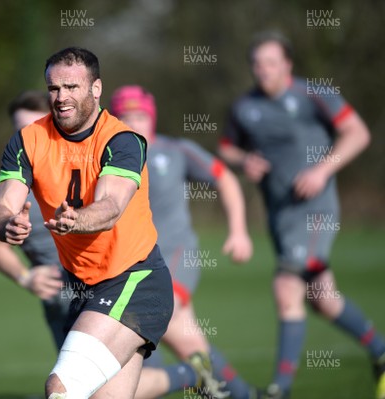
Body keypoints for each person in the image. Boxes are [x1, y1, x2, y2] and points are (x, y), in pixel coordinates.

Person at [0, 47, 174, 399]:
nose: (61, 98)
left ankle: (185, 373)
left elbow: (111, 206)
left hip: (134, 281)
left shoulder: (122, 141)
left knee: (61, 389)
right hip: (82, 287)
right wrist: (7, 224)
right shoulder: (28, 139)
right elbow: (2, 205)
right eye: (54, 89)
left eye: (72, 87)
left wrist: (77, 219)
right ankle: (185, 375)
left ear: (96, 88)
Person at [217, 31, 385, 399]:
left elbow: (358, 133)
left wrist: (323, 170)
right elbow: (226, 148)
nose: (264, 71)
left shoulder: (313, 96)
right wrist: (245, 160)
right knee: (322, 298)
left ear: (287, 64)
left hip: (315, 211)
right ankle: (381, 351)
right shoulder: (245, 107)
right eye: (257, 64)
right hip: (280, 216)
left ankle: (281, 389)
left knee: (286, 287)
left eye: (271, 62)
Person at [110, 85, 257, 399]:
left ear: (152, 118)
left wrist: (239, 230)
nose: (134, 123)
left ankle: (195, 381)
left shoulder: (176, 151)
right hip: (131, 264)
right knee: (190, 344)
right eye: (125, 117)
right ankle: (236, 393)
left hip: (175, 255)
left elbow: (226, 178)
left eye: (140, 116)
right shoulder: (109, 160)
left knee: (153, 317)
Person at [0, 90, 69, 350]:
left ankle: (189, 373)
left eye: (35, 127)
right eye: (19, 130)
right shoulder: (7, 189)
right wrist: (25, 277)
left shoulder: (88, 166)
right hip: (59, 300)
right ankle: (191, 373)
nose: (27, 136)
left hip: (108, 289)